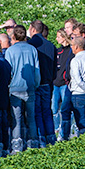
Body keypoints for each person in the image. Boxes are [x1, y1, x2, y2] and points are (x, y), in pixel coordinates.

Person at [4, 25, 41, 153]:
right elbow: (36, 70)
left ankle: (16, 145)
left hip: (14, 87)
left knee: (17, 119)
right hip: (30, 86)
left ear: (13, 36)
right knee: (31, 117)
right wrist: (36, 84)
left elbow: (9, 71)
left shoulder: (10, 51)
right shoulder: (32, 50)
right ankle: (33, 143)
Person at [29, 20, 57, 148]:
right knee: (47, 110)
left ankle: (41, 139)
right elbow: (54, 67)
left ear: (33, 29)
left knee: (37, 112)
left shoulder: (30, 45)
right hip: (47, 82)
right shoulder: (51, 45)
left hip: (36, 83)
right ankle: (51, 137)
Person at [53, 29, 74, 141]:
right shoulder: (58, 51)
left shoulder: (70, 51)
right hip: (55, 83)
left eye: (58, 37)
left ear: (64, 37)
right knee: (54, 108)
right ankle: (57, 128)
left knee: (65, 108)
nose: (57, 39)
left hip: (64, 83)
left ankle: (66, 130)